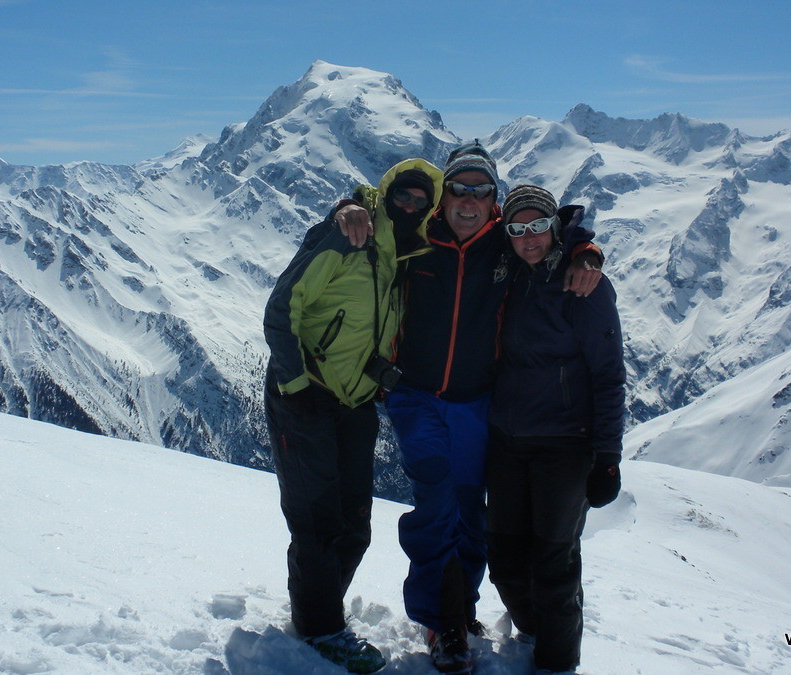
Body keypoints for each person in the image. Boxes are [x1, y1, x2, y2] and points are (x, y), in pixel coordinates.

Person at [334, 142, 604, 674]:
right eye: (459, 187)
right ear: (445, 194)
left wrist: (584, 251)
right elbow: (373, 204)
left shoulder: (503, 243)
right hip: (416, 396)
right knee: (436, 505)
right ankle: (442, 622)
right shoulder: (418, 234)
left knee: (470, 511)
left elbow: (556, 228)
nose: (468, 199)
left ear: (494, 200)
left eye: (481, 190)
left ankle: (461, 607)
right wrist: (346, 205)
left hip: (479, 401)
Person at [263, 159, 442, 673]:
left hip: (355, 402)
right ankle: (321, 628)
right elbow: (281, 310)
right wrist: (296, 385)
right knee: (316, 521)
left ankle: (316, 611)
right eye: (401, 196)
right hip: (305, 395)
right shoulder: (348, 237)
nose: (409, 207)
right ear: (384, 197)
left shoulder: (401, 254)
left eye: (419, 201)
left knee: (355, 526)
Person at [486, 185, 625, 674]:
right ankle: (534, 633)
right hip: (505, 440)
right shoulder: (504, 273)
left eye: (538, 227)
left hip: (566, 444)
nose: (528, 238)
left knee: (554, 563)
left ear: (554, 228)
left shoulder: (582, 284)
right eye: (517, 229)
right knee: (503, 558)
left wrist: (607, 456)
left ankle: (557, 663)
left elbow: (608, 374)